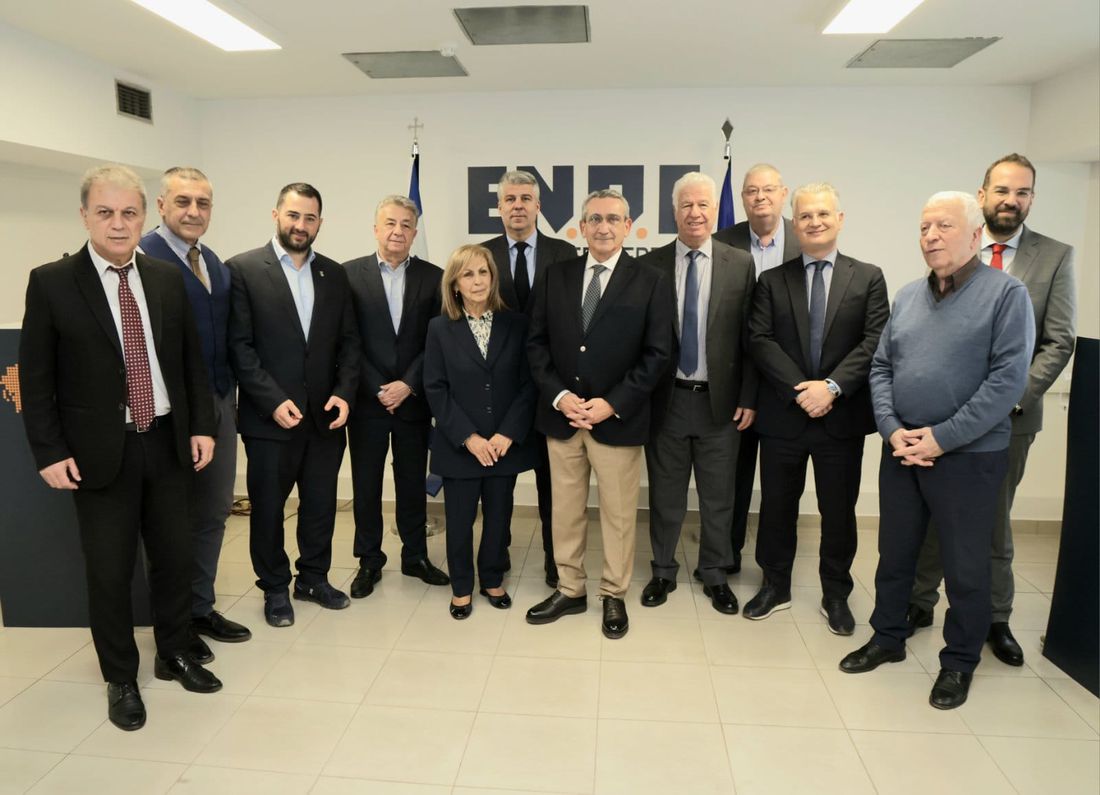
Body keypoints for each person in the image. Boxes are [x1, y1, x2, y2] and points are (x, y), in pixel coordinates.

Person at [20, 163, 221, 731]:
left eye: (129, 213)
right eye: (105, 212)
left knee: (174, 559)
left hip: (167, 442)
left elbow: (190, 364)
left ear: (143, 216)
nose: (117, 223)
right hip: (99, 454)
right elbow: (36, 378)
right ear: (85, 216)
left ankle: (174, 651)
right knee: (110, 572)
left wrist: (201, 426)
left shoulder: (165, 278)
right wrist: (48, 451)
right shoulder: (53, 282)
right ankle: (121, 677)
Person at [841, 191, 1033, 710]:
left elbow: (1006, 382)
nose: (930, 236)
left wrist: (942, 437)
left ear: (975, 234)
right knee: (895, 555)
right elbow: (882, 367)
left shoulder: (1006, 295)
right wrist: (891, 429)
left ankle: (959, 662)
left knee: (966, 566)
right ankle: (887, 638)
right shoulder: (908, 297)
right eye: (924, 227)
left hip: (969, 457)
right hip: (903, 450)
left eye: (943, 226)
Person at [906, 154, 1077, 667]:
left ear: (1032, 199)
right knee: (934, 518)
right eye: (1002, 190)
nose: (1011, 200)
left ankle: (995, 618)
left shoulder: (1055, 257)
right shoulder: (952, 247)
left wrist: (1010, 399)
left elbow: (1059, 340)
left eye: (1022, 192)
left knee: (992, 524)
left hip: (1010, 422)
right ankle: (919, 602)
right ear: (982, 197)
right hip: (942, 419)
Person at [525, 189, 672, 639]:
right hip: (563, 419)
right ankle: (570, 589)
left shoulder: (650, 280)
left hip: (617, 421)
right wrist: (558, 396)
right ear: (581, 227)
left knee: (618, 515)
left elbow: (658, 354)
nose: (603, 227)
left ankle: (613, 593)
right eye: (594, 219)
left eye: (612, 219)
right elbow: (536, 344)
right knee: (565, 511)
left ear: (627, 227)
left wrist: (613, 403)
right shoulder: (556, 276)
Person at [746, 182, 889, 634]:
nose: (814, 222)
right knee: (776, 508)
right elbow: (760, 340)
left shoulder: (868, 277)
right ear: (795, 223)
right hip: (784, 416)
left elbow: (874, 341)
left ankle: (836, 593)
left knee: (838, 511)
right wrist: (801, 391)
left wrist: (830, 387)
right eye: (805, 215)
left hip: (840, 418)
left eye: (823, 214)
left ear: (839, 219)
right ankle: (775, 586)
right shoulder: (772, 281)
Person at [227, 183, 360, 627]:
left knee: (320, 505)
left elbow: (349, 342)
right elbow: (240, 348)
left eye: (309, 218)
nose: (301, 225)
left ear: (320, 223)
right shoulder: (243, 270)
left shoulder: (334, 274)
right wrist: (272, 400)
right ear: (276, 215)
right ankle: (275, 587)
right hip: (270, 421)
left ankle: (313, 579)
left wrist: (344, 392)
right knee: (268, 509)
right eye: (293, 215)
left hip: (324, 418)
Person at [139, 167, 251, 664]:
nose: (193, 211)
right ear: (161, 204)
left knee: (213, 511)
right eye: (183, 201)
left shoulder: (214, 264)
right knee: (172, 521)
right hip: (172, 411)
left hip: (220, 404)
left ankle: (200, 608)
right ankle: (174, 622)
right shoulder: (142, 258)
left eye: (203, 203)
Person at [638, 172, 756, 614]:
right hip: (666, 401)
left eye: (703, 204)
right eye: (686, 205)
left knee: (718, 497)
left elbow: (750, 338)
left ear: (714, 210)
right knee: (665, 495)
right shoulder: (651, 264)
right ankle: (663, 571)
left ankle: (714, 573)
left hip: (719, 403)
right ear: (674, 212)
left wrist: (749, 396)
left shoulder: (739, 263)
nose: (695, 213)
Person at [423, 244, 537, 618]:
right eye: (468, 274)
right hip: (461, 445)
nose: (477, 281)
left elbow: (528, 385)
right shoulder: (440, 328)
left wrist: (507, 434)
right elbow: (435, 389)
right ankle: (461, 588)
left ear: (493, 277)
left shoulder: (516, 324)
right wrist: (469, 438)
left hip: (503, 445)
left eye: (483, 272)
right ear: (455, 284)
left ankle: (491, 579)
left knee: (499, 519)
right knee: (459, 522)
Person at [344, 195, 449, 597]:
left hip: (413, 400)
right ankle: (369, 560)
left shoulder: (434, 277)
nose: (397, 231)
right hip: (366, 402)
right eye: (390, 223)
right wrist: (378, 387)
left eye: (406, 224)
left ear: (415, 232)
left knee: (411, 481)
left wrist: (408, 383)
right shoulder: (348, 275)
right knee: (366, 484)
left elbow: (435, 340)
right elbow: (347, 340)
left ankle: (415, 556)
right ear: (376, 228)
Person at [483, 170, 578, 588]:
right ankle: (496, 552)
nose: (518, 205)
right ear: (499, 207)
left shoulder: (565, 253)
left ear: (539, 206)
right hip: (497, 390)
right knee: (498, 483)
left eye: (525, 198)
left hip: (550, 388)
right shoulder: (481, 255)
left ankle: (557, 560)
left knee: (553, 485)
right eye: (510, 199)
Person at [714, 164, 802, 573]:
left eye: (768, 189)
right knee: (733, 477)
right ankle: (727, 554)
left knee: (781, 484)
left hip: (790, 383)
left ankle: (774, 567)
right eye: (751, 190)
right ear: (743, 198)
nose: (759, 197)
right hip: (736, 381)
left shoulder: (805, 239)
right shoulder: (722, 241)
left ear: (783, 193)